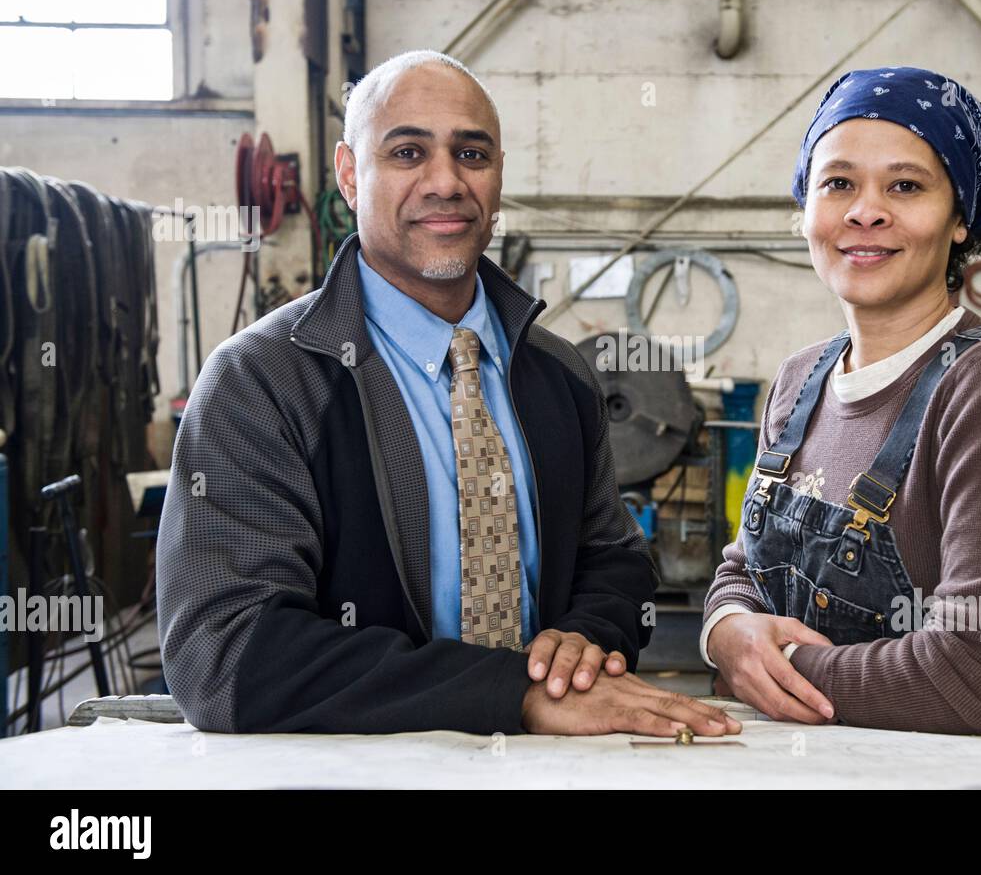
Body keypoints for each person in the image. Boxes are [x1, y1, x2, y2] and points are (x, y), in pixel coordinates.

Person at [156, 49, 741, 739]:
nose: (445, 181)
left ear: (498, 177)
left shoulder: (558, 374)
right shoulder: (263, 381)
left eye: (472, 154)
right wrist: (509, 694)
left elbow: (611, 558)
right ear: (350, 174)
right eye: (407, 152)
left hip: (550, 770)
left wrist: (583, 644)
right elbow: (225, 654)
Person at [702, 66, 981, 735]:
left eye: (906, 185)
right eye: (838, 183)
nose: (865, 210)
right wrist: (727, 632)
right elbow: (741, 573)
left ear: (960, 220)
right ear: (805, 210)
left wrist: (769, 661)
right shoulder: (800, 378)